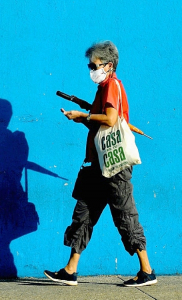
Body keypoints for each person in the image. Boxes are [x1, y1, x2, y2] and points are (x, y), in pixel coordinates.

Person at [44, 41, 157, 287]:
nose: (91, 69)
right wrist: (83, 119)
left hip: (114, 168)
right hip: (96, 165)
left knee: (125, 216)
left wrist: (84, 115)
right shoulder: (102, 89)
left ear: (108, 65)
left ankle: (147, 271)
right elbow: (100, 125)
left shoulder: (112, 86)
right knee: (83, 214)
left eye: (93, 65)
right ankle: (70, 270)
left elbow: (111, 118)